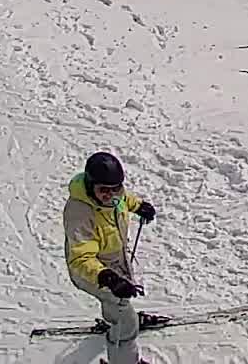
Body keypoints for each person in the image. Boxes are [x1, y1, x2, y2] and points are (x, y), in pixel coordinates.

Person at [63, 151, 160, 364]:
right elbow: (81, 259)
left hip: (114, 261)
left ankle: (117, 316)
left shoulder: (114, 195)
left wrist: (138, 206)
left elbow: (122, 199)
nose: (111, 194)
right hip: (91, 271)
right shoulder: (80, 212)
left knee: (120, 300)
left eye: (115, 188)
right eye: (104, 190)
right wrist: (108, 278)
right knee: (126, 325)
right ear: (90, 186)